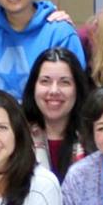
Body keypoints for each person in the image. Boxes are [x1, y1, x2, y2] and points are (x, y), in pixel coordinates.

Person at [25, 46, 90, 181]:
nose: (54, 91)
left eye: (64, 82)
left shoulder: (94, 137)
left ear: (77, 88)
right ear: (33, 86)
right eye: (45, 81)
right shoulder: (17, 135)